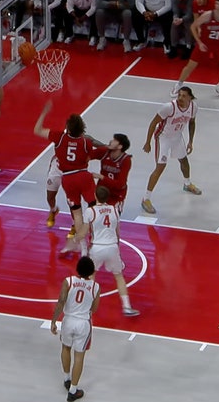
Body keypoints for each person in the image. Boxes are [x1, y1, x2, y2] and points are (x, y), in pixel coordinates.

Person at [33, 101, 107, 255]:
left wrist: (44, 113)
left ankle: (80, 236)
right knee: (90, 205)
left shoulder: (59, 136)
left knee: (76, 208)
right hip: (73, 173)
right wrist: (109, 148)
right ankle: (55, 211)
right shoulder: (86, 142)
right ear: (82, 129)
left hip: (69, 176)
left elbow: (37, 130)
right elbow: (97, 148)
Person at [141, 87, 200, 214]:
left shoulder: (193, 107)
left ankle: (187, 184)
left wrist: (190, 141)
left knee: (184, 161)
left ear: (190, 97)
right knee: (160, 167)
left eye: (184, 96)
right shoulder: (168, 107)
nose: (180, 98)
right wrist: (147, 142)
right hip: (163, 138)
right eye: (179, 95)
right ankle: (146, 198)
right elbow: (153, 123)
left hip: (177, 137)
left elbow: (192, 123)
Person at [82, 186, 139, 317]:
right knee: (119, 276)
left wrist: (78, 239)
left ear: (95, 196)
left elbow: (85, 231)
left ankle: (85, 307)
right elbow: (117, 232)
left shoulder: (90, 211)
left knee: (90, 277)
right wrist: (117, 248)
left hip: (97, 247)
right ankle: (126, 306)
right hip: (112, 246)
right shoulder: (114, 210)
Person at [51, 256, 99, 402]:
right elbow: (95, 309)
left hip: (68, 320)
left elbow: (60, 301)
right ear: (91, 271)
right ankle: (73, 390)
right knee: (79, 357)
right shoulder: (95, 286)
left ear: (77, 268)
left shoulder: (68, 281)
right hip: (83, 323)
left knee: (66, 348)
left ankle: (66, 378)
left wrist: (53, 321)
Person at [173, 0, 219, 99]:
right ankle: (178, 85)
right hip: (204, 44)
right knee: (190, 67)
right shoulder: (208, 15)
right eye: (216, 4)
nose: (218, 6)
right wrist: (199, 42)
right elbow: (193, 27)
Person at [93, 133, 133, 214]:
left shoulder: (126, 160)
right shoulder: (105, 151)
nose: (111, 141)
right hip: (102, 191)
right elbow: (88, 155)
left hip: (116, 194)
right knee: (94, 215)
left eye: (115, 140)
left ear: (120, 146)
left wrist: (102, 177)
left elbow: (120, 184)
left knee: (112, 217)